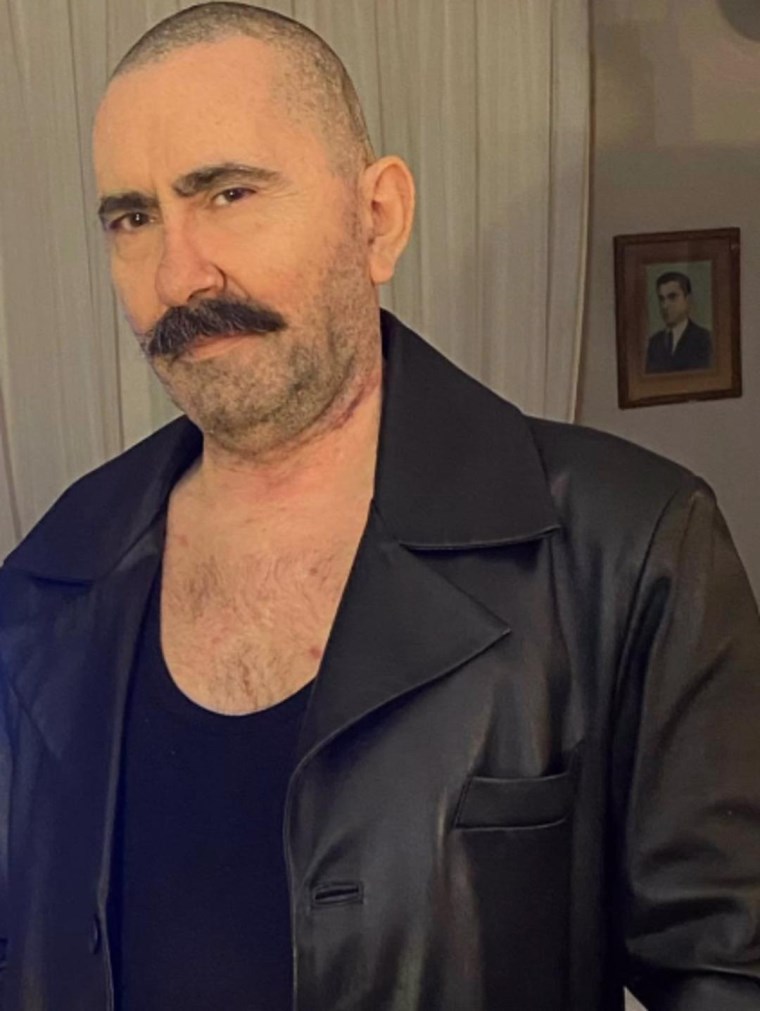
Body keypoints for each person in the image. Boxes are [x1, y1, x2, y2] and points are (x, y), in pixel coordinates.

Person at [0, 4, 759, 1009]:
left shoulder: (627, 548)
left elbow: (728, 969)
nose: (179, 275)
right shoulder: (51, 575)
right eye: (133, 218)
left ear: (378, 217)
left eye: (228, 193)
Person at [645, 271, 713, 373]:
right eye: (661, 299)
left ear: (688, 300)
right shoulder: (654, 343)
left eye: (672, 297)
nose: (664, 306)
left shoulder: (704, 339)